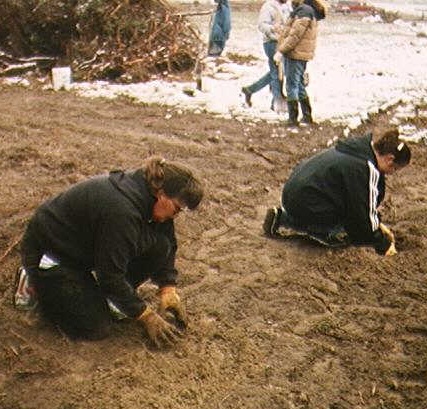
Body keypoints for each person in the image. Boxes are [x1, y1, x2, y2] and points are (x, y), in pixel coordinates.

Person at [14, 156, 203, 347]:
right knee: (95, 328)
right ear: (161, 194)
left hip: (85, 246)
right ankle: (32, 283)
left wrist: (168, 288)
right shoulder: (122, 212)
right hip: (53, 252)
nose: (175, 215)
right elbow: (109, 276)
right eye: (177, 209)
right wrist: (146, 315)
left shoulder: (148, 193)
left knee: (160, 245)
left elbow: (168, 241)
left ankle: (113, 300)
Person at [263, 129, 411, 256]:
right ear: (390, 160)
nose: (392, 173)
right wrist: (381, 243)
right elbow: (360, 212)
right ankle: (323, 232)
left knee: (345, 209)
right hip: (308, 202)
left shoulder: (356, 149)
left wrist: (377, 223)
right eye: (395, 169)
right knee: (347, 230)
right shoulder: (365, 167)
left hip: (293, 195)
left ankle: (283, 218)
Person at [273, 0, 318, 126]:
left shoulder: (303, 12)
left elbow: (294, 36)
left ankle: (293, 119)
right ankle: (307, 116)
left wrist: (281, 51)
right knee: (299, 85)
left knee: (292, 86)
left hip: (295, 54)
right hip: (300, 54)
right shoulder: (306, 11)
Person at [241, 0, 291, 112]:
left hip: (283, 42)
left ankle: (250, 90)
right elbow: (261, 25)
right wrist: (273, 28)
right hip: (271, 43)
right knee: (277, 72)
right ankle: (277, 103)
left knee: (277, 71)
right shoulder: (268, 6)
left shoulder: (287, 7)